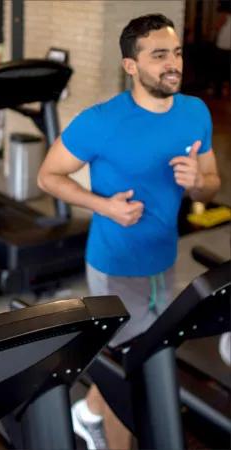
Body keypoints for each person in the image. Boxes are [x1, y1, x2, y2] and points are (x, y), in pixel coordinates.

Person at [37, 14, 220, 450]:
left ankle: (87, 412)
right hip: (115, 263)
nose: (173, 64)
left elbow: (212, 184)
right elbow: (48, 176)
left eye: (176, 53)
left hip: (164, 262)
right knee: (134, 374)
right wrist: (105, 207)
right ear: (131, 66)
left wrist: (199, 183)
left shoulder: (195, 111)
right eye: (159, 55)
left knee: (147, 354)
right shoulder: (100, 121)